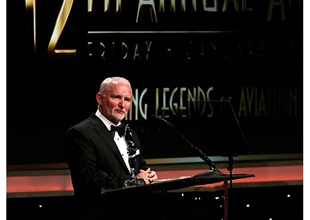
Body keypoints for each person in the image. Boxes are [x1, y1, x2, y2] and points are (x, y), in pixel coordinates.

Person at [64, 76, 159, 220]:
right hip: (100, 215)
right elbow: (89, 177)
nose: (122, 104)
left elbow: (141, 168)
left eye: (127, 100)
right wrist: (133, 182)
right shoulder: (80, 133)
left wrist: (148, 175)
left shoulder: (130, 133)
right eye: (116, 97)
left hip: (134, 213)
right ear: (99, 98)